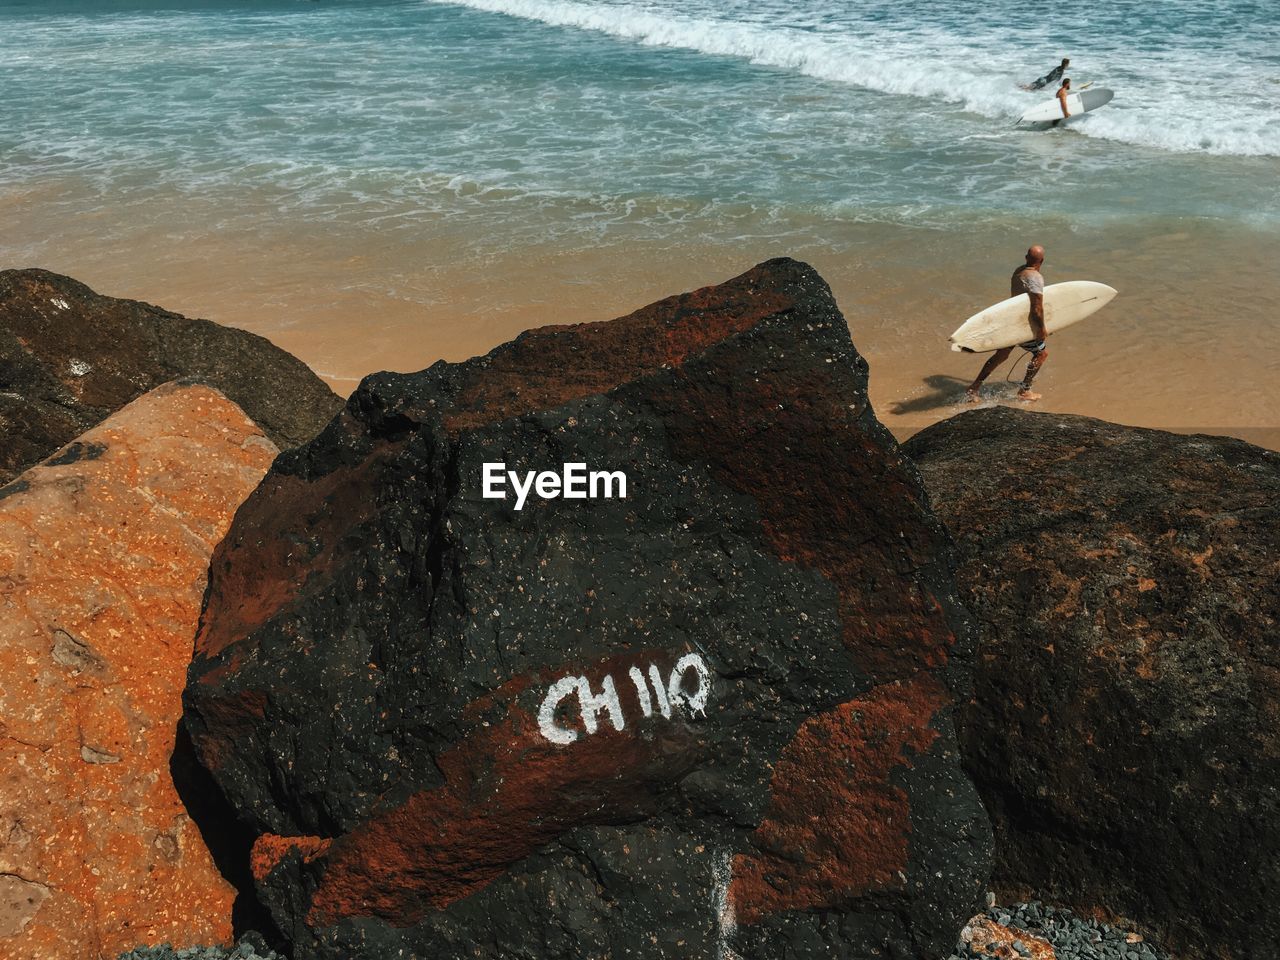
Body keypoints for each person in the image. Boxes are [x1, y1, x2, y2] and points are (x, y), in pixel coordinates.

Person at [966, 246, 1050, 402]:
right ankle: (1025, 390)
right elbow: (1037, 308)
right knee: (1041, 354)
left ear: (1026, 257)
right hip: (1024, 324)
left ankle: (974, 388)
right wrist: (1042, 329)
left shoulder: (1019, 271)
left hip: (1011, 321)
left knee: (1001, 355)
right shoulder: (1036, 278)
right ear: (1042, 261)